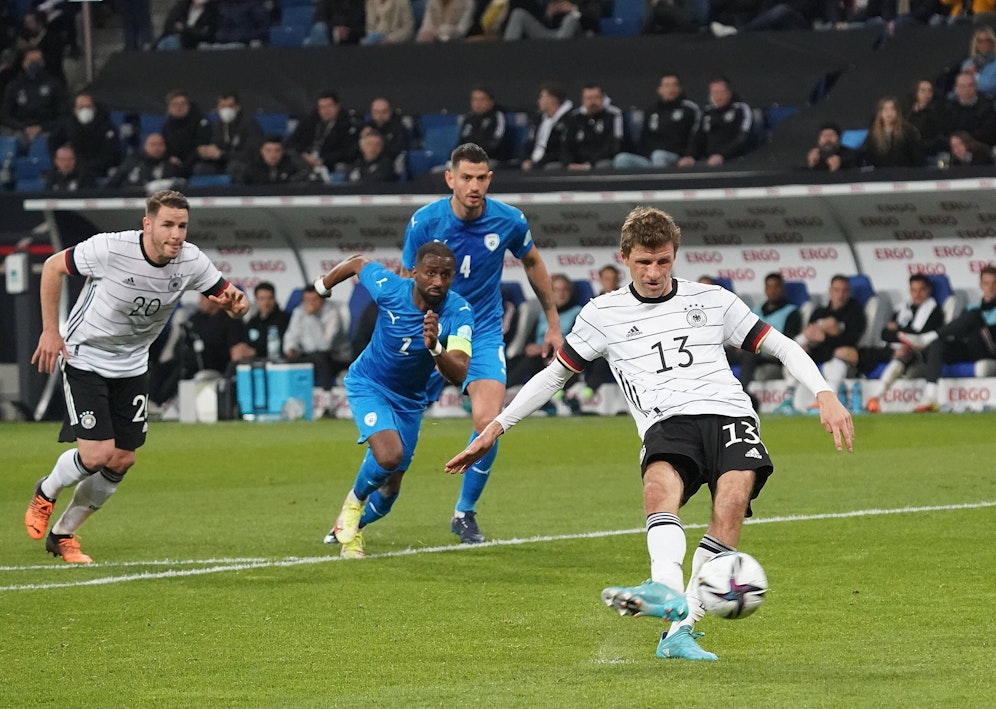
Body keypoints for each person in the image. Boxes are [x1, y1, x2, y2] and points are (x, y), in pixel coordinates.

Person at [444, 205, 854, 661]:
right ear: (625, 258)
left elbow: (779, 344)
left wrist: (823, 391)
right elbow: (554, 376)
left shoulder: (712, 300)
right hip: (666, 420)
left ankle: (680, 628)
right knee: (661, 490)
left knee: (733, 503)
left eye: (663, 261)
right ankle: (664, 588)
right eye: (644, 262)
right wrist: (498, 425)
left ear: (674, 254)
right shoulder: (603, 314)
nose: (654, 272)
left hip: (729, 415)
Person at [24, 190, 248, 563]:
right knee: (96, 455)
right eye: (168, 225)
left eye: (182, 226)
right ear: (147, 224)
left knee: (121, 460)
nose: (176, 234)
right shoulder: (111, 249)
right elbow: (52, 267)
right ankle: (46, 490)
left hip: (132, 365)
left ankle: (63, 535)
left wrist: (239, 306)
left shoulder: (191, 261)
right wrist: (51, 331)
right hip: (86, 357)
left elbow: (232, 299)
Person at [402, 142, 561, 544]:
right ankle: (359, 507)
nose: (474, 185)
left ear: (489, 178)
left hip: (483, 331)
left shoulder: (509, 220)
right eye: (466, 177)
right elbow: (408, 279)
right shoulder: (425, 221)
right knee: (395, 432)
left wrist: (553, 323)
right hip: (433, 325)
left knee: (489, 421)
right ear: (450, 179)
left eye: (481, 178)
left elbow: (533, 263)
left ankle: (464, 512)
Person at [317, 245, 474, 557]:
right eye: (430, 273)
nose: (438, 281)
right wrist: (324, 284)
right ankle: (355, 502)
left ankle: (351, 530)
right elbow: (359, 264)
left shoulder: (459, 312)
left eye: (445, 275)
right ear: (413, 273)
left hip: (410, 401)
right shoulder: (389, 288)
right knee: (389, 456)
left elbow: (459, 372)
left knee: (391, 489)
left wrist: (435, 348)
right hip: (369, 384)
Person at [901, 265, 996, 413]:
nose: (991, 287)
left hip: (989, 348)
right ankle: (931, 396)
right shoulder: (972, 306)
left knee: (974, 317)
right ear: (980, 285)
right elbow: (959, 332)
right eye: (986, 283)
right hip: (970, 346)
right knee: (938, 343)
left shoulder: (975, 312)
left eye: (994, 283)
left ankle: (927, 337)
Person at [775, 274, 866, 415]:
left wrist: (824, 338)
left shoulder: (855, 313)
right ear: (830, 291)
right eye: (837, 290)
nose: (841, 294)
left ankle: (829, 403)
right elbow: (812, 335)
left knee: (837, 361)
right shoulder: (819, 312)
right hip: (818, 354)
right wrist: (814, 338)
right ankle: (788, 400)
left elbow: (850, 341)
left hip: (840, 357)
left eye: (844, 290)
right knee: (796, 354)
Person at [859, 273, 944, 413]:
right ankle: (874, 399)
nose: (917, 294)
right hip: (898, 350)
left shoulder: (935, 311)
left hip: (921, 354)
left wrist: (898, 331)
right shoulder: (901, 308)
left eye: (922, 290)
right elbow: (885, 334)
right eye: (914, 290)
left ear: (928, 290)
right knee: (882, 353)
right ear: (910, 291)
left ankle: (876, 397)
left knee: (903, 354)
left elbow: (922, 336)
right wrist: (902, 333)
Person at [507, 274, 582, 387]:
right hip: (538, 355)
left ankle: (503, 390)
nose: (561, 294)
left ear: (570, 292)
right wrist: (529, 347)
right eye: (556, 290)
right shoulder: (544, 313)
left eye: (565, 289)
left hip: (560, 356)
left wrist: (543, 349)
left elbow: (574, 344)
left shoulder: (578, 313)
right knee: (512, 360)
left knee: (531, 362)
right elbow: (531, 338)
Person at [735, 272, 802, 399]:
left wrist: (753, 344)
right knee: (722, 351)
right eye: (769, 287)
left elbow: (788, 340)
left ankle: (741, 393)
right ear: (765, 289)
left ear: (782, 289)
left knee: (749, 353)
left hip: (772, 354)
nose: (773, 291)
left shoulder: (791, 312)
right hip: (750, 350)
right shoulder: (756, 310)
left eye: (776, 287)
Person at [613, 74, 701, 170]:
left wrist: (690, 156)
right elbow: (645, 138)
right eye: (667, 85)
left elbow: (696, 135)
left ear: (680, 89)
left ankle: (659, 185)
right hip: (651, 159)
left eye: (674, 85)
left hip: (677, 158)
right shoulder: (651, 111)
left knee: (659, 156)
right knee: (622, 159)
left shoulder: (689, 109)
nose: (671, 89)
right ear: (660, 89)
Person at [283, 284, 352, 407]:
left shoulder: (331, 312)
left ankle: (327, 403)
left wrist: (311, 317)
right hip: (308, 356)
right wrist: (291, 348)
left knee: (320, 358)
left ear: (322, 300)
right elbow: (291, 335)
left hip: (334, 357)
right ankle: (290, 402)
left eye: (314, 300)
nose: (310, 304)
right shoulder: (299, 311)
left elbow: (324, 345)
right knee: (289, 360)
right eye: (306, 300)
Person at [0, 47, 66, 151]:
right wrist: (24, 128)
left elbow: (63, 114)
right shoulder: (13, 86)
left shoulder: (55, 84)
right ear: (23, 63)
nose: (35, 64)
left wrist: (42, 127)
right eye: (31, 61)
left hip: (48, 130)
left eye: (38, 61)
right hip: (21, 130)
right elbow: (5, 116)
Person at [678, 76, 753, 168]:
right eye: (715, 93)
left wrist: (722, 155)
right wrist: (690, 156)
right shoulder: (707, 112)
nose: (718, 96)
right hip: (708, 161)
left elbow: (742, 138)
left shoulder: (740, 109)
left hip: (734, 160)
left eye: (721, 92)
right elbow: (697, 137)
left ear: (729, 93)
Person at [48, 91, 122, 181]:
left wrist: (86, 167)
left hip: (98, 172)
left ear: (94, 108)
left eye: (88, 107)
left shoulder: (107, 128)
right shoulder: (68, 126)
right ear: (74, 110)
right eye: (81, 107)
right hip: (73, 171)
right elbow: (53, 143)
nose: (85, 110)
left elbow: (111, 156)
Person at [286, 89, 361, 176]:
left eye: (329, 106)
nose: (326, 111)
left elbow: (348, 151)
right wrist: (304, 155)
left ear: (337, 106)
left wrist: (323, 160)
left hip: (330, 163)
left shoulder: (347, 124)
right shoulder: (310, 120)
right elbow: (290, 142)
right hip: (306, 160)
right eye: (322, 107)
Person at [192, 91, 263, 182]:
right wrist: (207, 152)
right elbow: (216, 146)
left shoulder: (250, 125)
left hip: (242, 164)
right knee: (200, 168)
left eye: (230, 106)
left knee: (234, 167)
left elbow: (250, 154)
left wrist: (222, 154)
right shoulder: (217, 126)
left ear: (237, 107)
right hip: (221, 164)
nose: (226, 110)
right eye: (222, 106)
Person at [560, 83, 624, 170]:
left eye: (596, 97)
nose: (592, 102)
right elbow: (566, 145)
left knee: (603, 165)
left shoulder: (612, 116)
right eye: (588, 98)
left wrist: (590, 164)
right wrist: (569, 163)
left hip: (600, 161)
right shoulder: (574, 118)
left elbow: (613, 145)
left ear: (602, 99)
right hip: (577, 163)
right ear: (583, 100)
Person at [858, 97, 924, 169]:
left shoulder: (909, 131)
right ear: (880, 113)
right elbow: (867, 157)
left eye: (893, 109)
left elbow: (917, 157)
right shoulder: (873, 135)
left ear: (898, 112)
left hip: (904, 175)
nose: (889, 113)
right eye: (885, 109)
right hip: (880, 175)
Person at [520, 82, 572, 171]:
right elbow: (529, 143)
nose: (538, 101)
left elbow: (560, 149)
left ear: (552, 99)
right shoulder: (538, 120)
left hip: (548, 162)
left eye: (541, 97)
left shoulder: (568, 121)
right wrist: (525, 159)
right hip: (531, 161)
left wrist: (537, 163)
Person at [106, 132, 183, 190]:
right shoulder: (132, 164)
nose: (157, 148)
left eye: (160, 144)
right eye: (153, 144)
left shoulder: (172, 165)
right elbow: (113, 184)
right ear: (145, 146)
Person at [941, 73, 996, 149]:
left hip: (983, 147)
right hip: (956, 148)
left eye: (970, 85)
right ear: (957, 89)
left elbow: (989, 132)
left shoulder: (987, 105)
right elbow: (946, 131)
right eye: (962, 86)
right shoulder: (950, 107)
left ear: (976, 87)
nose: (967, 89)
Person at [457, 86, 509, 164]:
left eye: (482, 99)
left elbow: (496, 143)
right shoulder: (469, 118)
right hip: (468, 160)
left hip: (490, 159)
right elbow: (462, 141)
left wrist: (475, 155)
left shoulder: (498, 117)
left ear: (491, 102)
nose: (478, 103)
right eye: (475, 99)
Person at [240, 134, 313, 185]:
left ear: (282, 151)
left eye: (277, 150)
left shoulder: (292, 168)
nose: (273, 155)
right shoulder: (252, 169)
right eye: (268, 150)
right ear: (262, 151)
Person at [246, 281, 292, 359]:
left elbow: (285, 346)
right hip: (255, 364)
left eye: (269, 298)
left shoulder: (286, 319)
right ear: (256, 301)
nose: (266, 303)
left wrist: (256, 351)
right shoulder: (252, 322)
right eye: (262, 299)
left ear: (274, 299)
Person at [502, 0, 584, 40]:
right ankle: (506, 56)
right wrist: (549, 13)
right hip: (543, 35)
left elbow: (591, 18)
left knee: (572, 18)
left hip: (568, 36)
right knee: (518, 14)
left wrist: (573, 8)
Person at [960, 25, 996, 97]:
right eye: (980, 41)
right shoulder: (968, 63)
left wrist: (975, 75)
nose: (984, 44)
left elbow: (992, 86)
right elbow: (962, 85)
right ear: (975, 43)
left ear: (993, 42)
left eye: (988, 40)